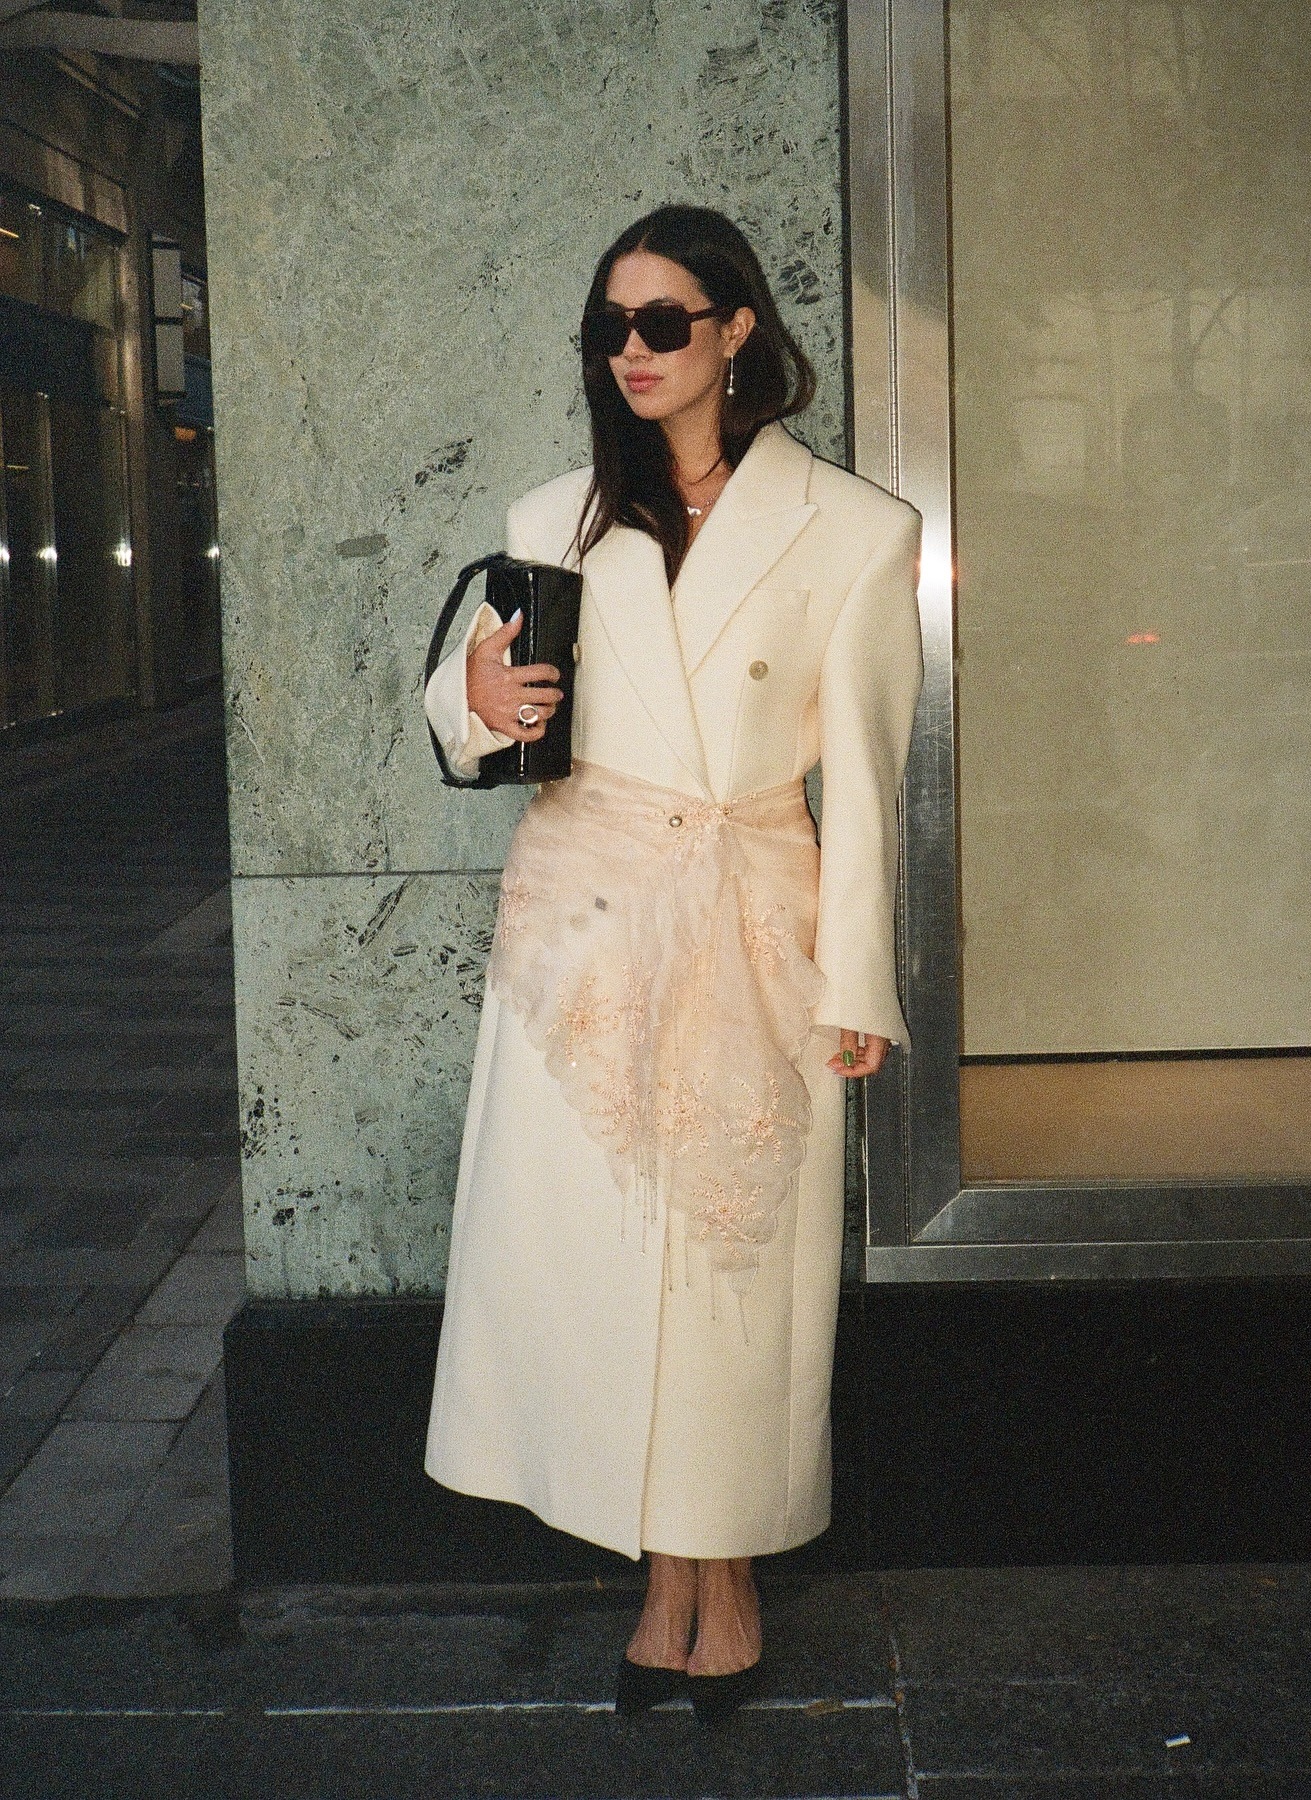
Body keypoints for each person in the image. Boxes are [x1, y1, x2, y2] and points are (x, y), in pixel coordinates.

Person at [422, 204, 923, 1725]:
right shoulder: (548, 515)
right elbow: (475, 715)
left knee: (734, 1273)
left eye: (661, 323)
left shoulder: (857, 530)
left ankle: (729, 1570)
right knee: (599, 1266)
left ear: (734, 333)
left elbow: (871, 786)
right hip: (583, 941)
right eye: (609, 327)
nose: (630, 352)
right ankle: (657, 1572)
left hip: (757, 927)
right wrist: (479, 696)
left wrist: (857, 985)